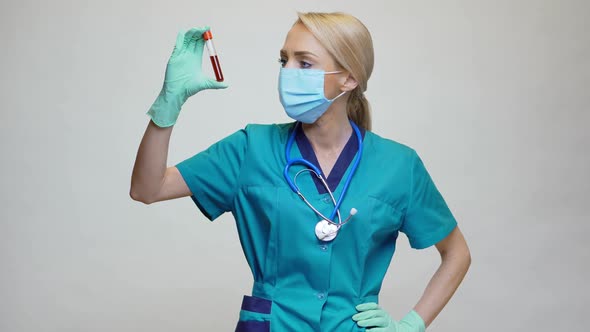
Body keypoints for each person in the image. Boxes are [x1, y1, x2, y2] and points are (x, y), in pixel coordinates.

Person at [130, 12, 471, 332]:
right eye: (284, 60)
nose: (287, 71)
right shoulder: (252, 148)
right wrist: (168, 104)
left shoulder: (398, 165)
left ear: (348, 78)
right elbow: (148, 188)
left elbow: (456, 253)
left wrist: (411, 325)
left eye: (304, 63)